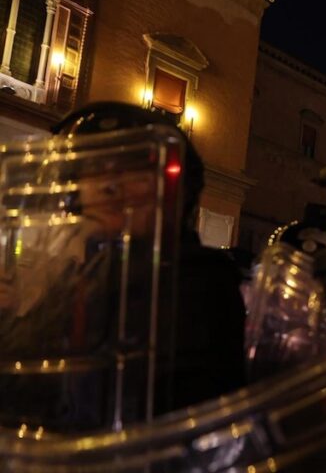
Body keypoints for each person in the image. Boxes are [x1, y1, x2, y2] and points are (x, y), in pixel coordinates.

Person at [52, 102, 247, 412]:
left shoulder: (200, 280)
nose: (110, 183)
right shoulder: (67, 281)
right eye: (94, 168)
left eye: (134, 168)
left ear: (176, 191)